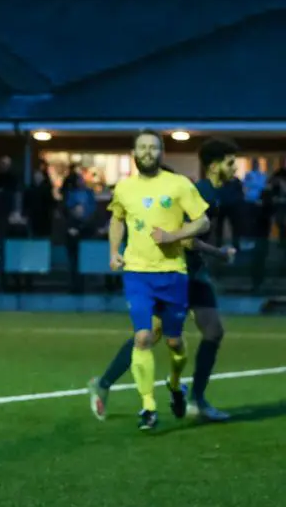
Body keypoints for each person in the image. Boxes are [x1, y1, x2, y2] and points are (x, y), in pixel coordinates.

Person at [89, 138, 238, 422]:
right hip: (176, 272)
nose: (234, 169)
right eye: (231, 163)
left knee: (209, 331)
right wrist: (219, 253)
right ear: (214, 166)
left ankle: (195, 398)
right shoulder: (201, 191)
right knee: (152, 335)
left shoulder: (212, 193)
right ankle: (107, 384)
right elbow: (186, 238)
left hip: (191, 273)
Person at [104, 130, 210, 430]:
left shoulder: (178, 185)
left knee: (175, 342)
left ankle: (175, 385)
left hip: (173, 273)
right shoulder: (123, 188)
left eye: (153, 147)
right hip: (137, 273)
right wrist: (114, 252)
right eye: (142, 147)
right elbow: (116, 218)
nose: (148, 152)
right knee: (143, 336)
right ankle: (148, 407)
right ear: (134, 153)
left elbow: (203, 221)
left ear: (161, 152)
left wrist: (173, 235)